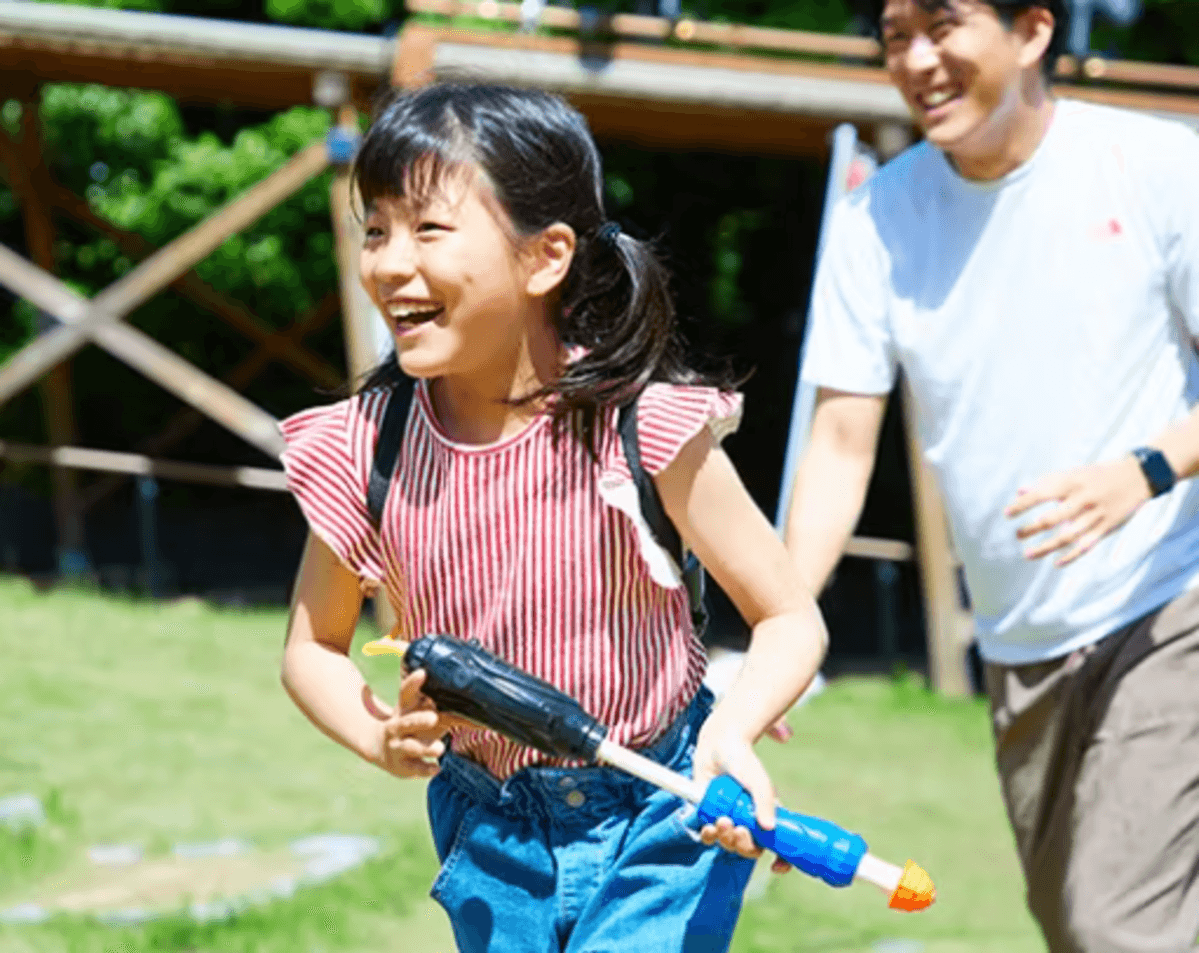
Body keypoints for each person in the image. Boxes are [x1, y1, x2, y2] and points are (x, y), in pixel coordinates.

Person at [278, 82, 827, 953]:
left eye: (427, 228)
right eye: (374, 228)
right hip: (485, 828)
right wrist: (378, 736)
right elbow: (311, 646)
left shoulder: (640, 425)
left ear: (546, 257)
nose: (387, 261)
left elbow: (789, 615)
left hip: (660, 807)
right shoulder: (366, 448)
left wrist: (732, 728)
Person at [785, 0, 1199, 949]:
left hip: (1168, 600)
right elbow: (841, 447)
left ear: (1033, 31)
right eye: (895, 36)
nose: (917, 58)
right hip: (1021, 645)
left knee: (1114, 925)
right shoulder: (875, 219)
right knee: (1069, 923)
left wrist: (1143, 471)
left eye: (943, 25)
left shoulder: (1151, 166)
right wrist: (784, 621)